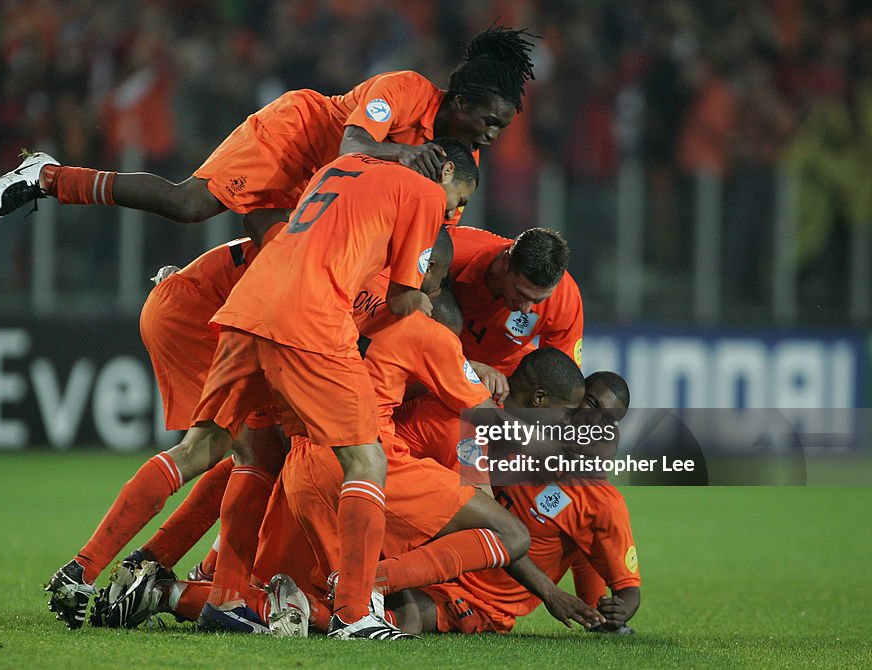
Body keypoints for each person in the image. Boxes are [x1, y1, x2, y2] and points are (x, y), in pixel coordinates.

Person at [164, 139, 478, 641]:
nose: (455, 211)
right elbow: (402, 302)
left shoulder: (343, 164)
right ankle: (356, 615)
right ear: (442, 170)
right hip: (311, 323)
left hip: (251, 306)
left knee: (212, 450)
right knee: (369, 463)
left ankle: (111, 573)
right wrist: (424, 309)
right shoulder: (424, 199)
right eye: (458, 197)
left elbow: (283, 225)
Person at [0, 26, 534, 232]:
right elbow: (354, 145)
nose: (491, 133)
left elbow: (436, 229)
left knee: (287, 259)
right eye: (487, 119)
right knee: (188, 206)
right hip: (296, 134)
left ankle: (183, 292)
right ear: (458, 99)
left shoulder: (463, 160)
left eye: (501, 127)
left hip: (323, 192)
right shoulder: (408, 89)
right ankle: (51, 177)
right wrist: (402, 159)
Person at [43, 232, 285, 630]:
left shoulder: (301, 224)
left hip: (184, 302)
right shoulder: (336, 244)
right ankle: (219, 597)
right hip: (205, 316)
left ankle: (140, 567)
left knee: (241, 450)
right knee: (234, 451)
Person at [392, 368, 641, 635]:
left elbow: (626, 588)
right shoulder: (516, 434)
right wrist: (477, 366)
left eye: (606, 418)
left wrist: (615, 612)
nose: (593, 419)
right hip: (426, 556)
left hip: (479, 599)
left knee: (410, 615)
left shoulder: (599, 498)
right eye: (590, 403)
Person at [448, 227, 584, 405]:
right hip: (441, 362)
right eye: (521, 293)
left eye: (538, 300)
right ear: (506, 261)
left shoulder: (565, 298)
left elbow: (559, 384)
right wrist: (465, 367)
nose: (526, 308)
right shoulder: (453, 251)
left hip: (501, 384)